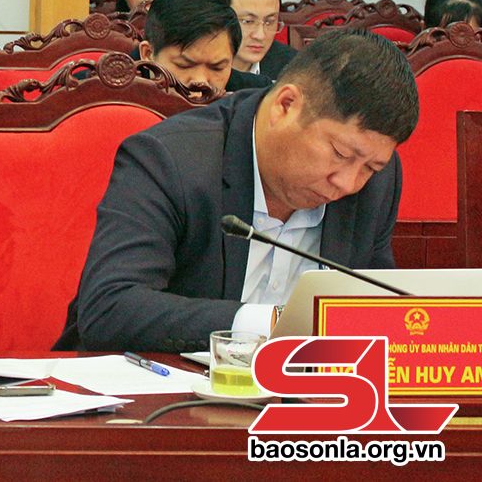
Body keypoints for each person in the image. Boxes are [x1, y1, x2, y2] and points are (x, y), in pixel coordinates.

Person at [57, 30, 417, 352]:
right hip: (170, 391)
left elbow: (375, 305)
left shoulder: (378, 183)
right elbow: (111, 307)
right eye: (340, 153)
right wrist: (273, 324)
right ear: (286, 105)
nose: (348, 183)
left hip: (308, 396)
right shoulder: (171, 159)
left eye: (370, 167)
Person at [138, 0, 269, 95]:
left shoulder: (254, 95)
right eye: (184, 65)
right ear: (148, 54)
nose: (200, 81)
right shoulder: (127, 93)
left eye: (217, 68)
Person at [216, 0, 296, 80]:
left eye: (269, 22)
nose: (260, 36)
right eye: (248, 21)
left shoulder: (293, 67)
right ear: (219, 18)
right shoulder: (197, 63)